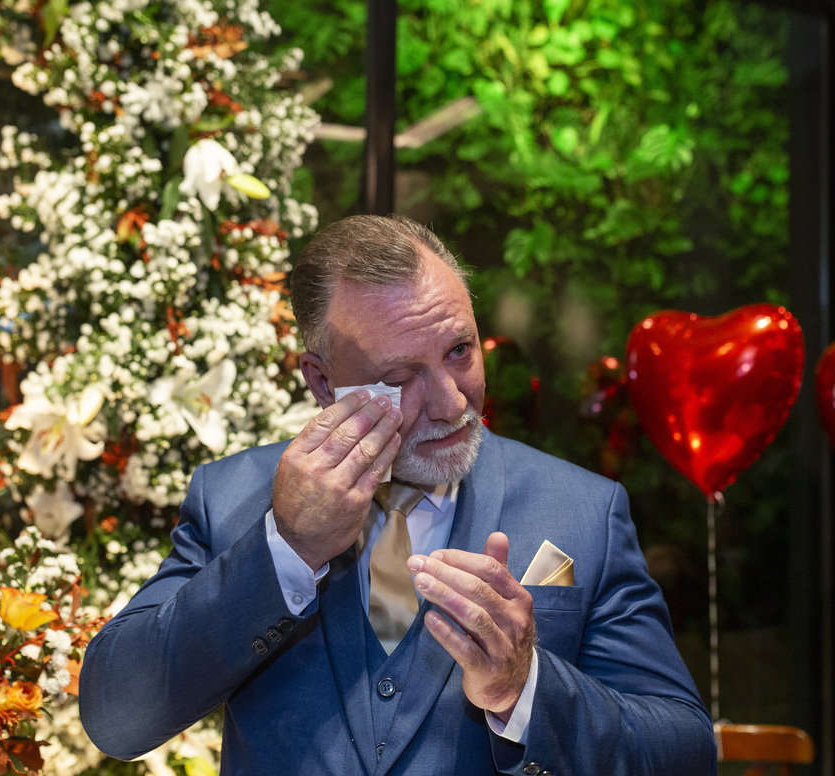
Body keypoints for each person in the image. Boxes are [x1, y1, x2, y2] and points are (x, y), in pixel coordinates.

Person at [79, 214, 716, 775]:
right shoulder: (231, 498)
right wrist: (287, 548)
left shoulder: (583, 511)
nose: (452, 401)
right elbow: (118, 717)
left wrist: (526, 688)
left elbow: (685, 753)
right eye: (400, 377)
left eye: (460, 350)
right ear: (322, 382)